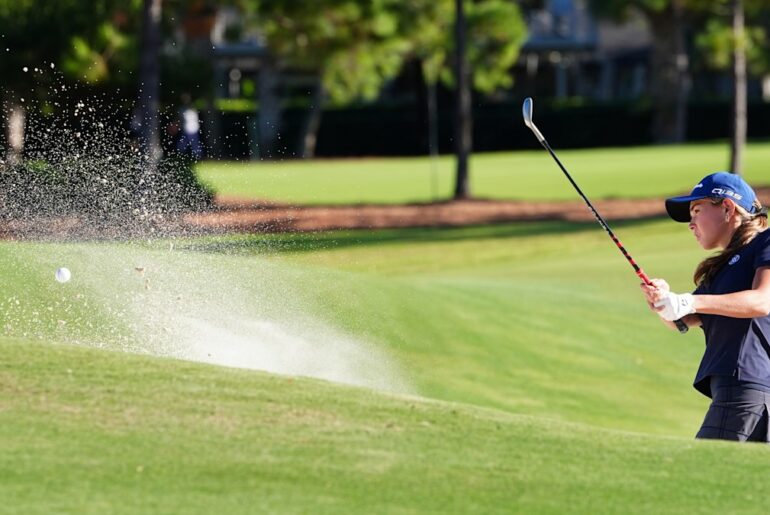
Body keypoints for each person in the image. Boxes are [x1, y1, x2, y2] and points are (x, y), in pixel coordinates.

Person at [640, 171, 770, 442]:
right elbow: (682, 320)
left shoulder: (765, 242)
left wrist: (688, 300)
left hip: (747, 389)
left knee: (701, 477)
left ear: (727, 208)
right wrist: (663, 301)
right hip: (742, 391)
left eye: (697, 210)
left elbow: (762, 300)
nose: (691, 223)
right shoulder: (723, 269)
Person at [176, 94, 203, 160]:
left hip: (192, 129)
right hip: (187, 129)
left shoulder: (192, 108)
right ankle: (181, 156)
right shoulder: (183, 109)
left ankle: (198, 157)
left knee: (195, 145)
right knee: (183, 145)